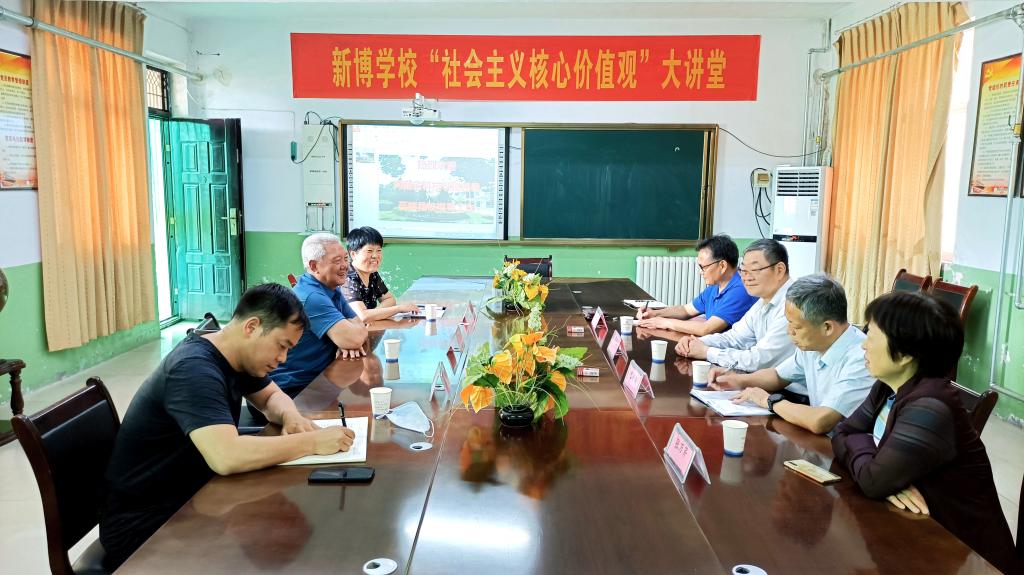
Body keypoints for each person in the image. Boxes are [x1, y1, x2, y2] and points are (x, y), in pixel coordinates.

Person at [100, 284, 356, 570]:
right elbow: (226, 456)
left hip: (196, 497)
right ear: (252, 327)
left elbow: (270, 396)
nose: (283, 359)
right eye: (282, 346)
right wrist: (313, 442)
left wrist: (290, 416)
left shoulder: (234, 354)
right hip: (148, 525)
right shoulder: (193, 369)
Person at [831, 292, 1018, 574]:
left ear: (905, 354)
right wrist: (880, 469)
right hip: (915, 536)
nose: (863, 345)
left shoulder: (931, 406)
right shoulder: (888, 386)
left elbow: (871, 480)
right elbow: (842, 432)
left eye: (872, 336)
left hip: (965, 556)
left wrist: (879, 471)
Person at [712, 274, 873, 434]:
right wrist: (736, 380)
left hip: (843, 445)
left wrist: (768, 400)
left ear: (827, 327)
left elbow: (821, 421)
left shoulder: (862, 357)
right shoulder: (814, 344)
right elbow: (778, 376)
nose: (789, 332)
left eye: (796, 326)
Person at [266, 233, 369, 400]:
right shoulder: (312, 297)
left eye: (345, 258)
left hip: (316, 381)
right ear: (314, 266)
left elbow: (359, 326)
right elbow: (354, 338)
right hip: (288, 392)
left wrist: (346, 338)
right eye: (337, 261)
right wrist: (346, 339)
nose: (345, 266)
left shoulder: (330, 287)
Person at [676, 239, 796, 376]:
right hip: (762, 380)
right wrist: (695, 341)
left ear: (779, 270)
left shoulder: (793, 305)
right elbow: (735, 338)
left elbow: (759, 360)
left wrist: (707, 352)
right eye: (743, 270)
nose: (746, 277)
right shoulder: (763, 301)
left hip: (790, 388)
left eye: (754, 270)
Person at [636, 234, 757, 336]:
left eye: (703, 267)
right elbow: (686, 310)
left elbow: (706, 329)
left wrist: (664, 322)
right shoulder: (715, 286)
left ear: (722, 266)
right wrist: (655, 313)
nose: (700, 272)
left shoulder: (740, 290)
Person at [342, 226, 420, 321]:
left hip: (368, 327)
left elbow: (390, 299)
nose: (375, 256)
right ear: (353, 254)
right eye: (369, 251)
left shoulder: (372, 273)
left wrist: (374, 314)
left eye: (378, 250)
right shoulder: (347, 278)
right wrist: (399, 309)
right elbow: (363, 316)